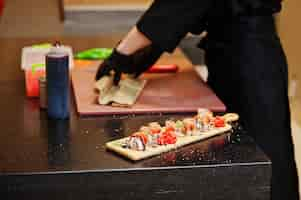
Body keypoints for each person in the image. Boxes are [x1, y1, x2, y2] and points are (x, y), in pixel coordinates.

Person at [95, 1, 299, 199]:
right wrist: (144, 53)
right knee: (232, 150)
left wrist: (122, 53)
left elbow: (179, 5)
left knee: (264, 154)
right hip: (238, 53)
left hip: (251, 60)